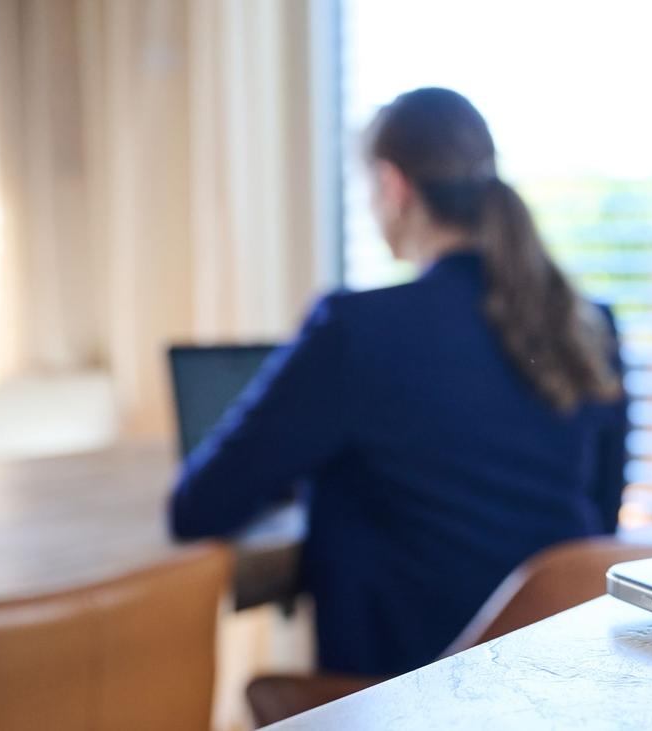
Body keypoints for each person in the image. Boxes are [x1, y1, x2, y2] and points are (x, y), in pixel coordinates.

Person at [169, 87, 628, 677]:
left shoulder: (354, 329)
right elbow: (600, 526)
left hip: (405, 697)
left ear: (392, 185)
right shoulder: (588, 325)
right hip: (560, 681)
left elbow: (199, 505)